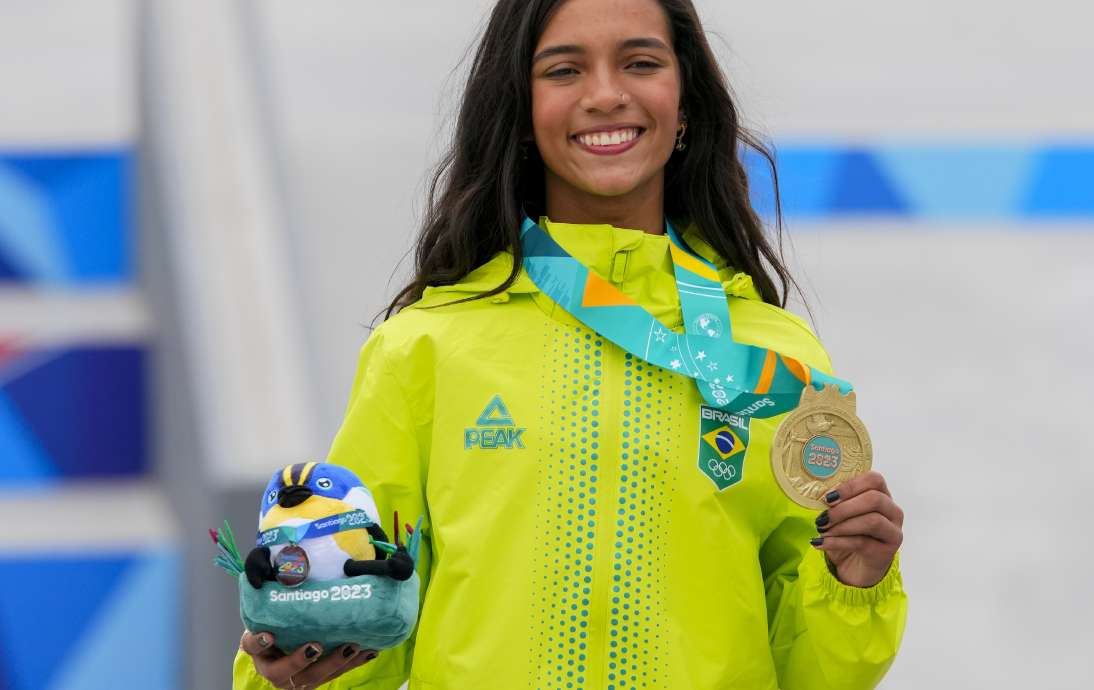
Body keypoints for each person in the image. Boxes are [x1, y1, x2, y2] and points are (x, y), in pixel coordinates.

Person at [234, 0, 907, 687]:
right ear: (521, 114)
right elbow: (357, 615)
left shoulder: (772, 359)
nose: (607, 95)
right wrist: (291, 663)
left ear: (686, 107)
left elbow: (814, 673)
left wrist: (854, 586)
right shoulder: (427, 348)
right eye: (564, 70)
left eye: (641, 63)